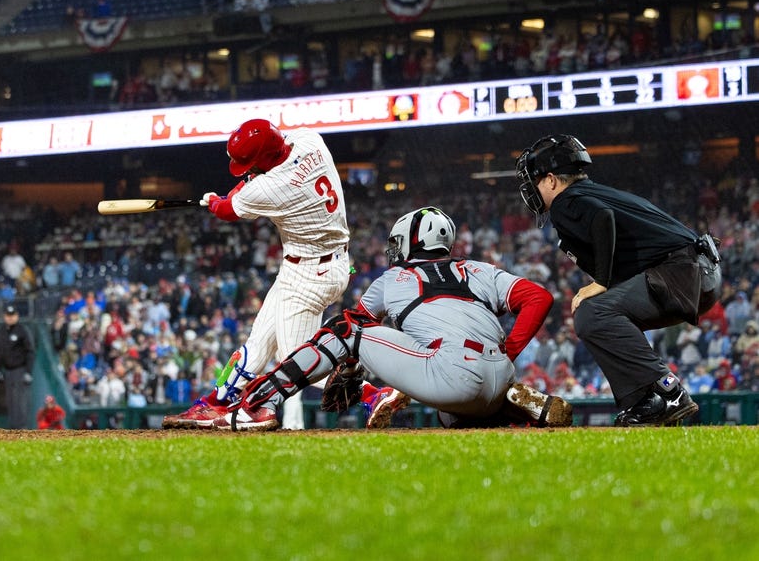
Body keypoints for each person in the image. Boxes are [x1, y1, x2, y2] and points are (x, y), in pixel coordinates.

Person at [213, 207, 572, 431]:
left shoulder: (393, 278)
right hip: (497, 373)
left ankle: (260, 401)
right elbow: (539, 298)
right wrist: (507, 353)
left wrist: (347, 369)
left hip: (449, 373)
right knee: (452, 417)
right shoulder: (479, 268)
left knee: (345, 327)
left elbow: (351, 330)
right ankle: (513, 407)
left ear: (408, 242)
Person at [515, 134, 722, 426]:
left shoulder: (566, 200)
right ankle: (647, 405)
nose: (533, 189)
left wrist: (601, 280)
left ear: (551, 180)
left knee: (592, 313)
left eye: (535, 181)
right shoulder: (591, 193)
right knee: (601, 316)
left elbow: (603, 218)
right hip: (695, 270)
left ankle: (667, 392)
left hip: (683, 272)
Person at [163, 118, 352, 430]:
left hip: (311, 273)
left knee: (296, 363)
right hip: (316, 263)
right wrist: (234, 189)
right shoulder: (309, 139)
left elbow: (227, 209)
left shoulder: (270, 187)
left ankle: (373, 394)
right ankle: (220, 401)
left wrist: (213, 201)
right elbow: (254, 177)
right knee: (258, 344)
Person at [0, 304, 35, 429]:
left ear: (17, 316)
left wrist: (28, 371)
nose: (10, 318)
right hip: (8, 370)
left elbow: (30, 351)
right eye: (8, 315)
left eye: (13, 315)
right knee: (10, 400)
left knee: (20, 399)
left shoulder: (22, 330)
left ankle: (22, 427)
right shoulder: (1, 331)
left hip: (20, 369)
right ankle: (12, 428)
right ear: (4, 316)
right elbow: (0, 352)